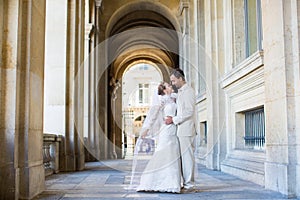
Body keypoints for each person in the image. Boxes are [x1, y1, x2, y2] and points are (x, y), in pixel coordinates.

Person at [133, 82, 181, 193]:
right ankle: (163, 183)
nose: (171, 86)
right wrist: (146, 129)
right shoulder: (162, 101)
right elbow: (153, 116)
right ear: (164, 90)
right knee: (165, 154)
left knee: (173, 154)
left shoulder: (173, 98)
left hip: (174, 129)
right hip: (167, 130)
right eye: (168, 86)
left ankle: (174, 182)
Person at [165, 68, 197, 191]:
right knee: (184, 158)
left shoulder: (188, 91)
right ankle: (187, 183)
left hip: (187, 129)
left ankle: (190, 185)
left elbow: (189, 111)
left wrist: (173, 119)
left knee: (187, 158)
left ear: (180, 78)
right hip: (182, 129)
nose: (173, 83)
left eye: (173, 81)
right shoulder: (182, 92)